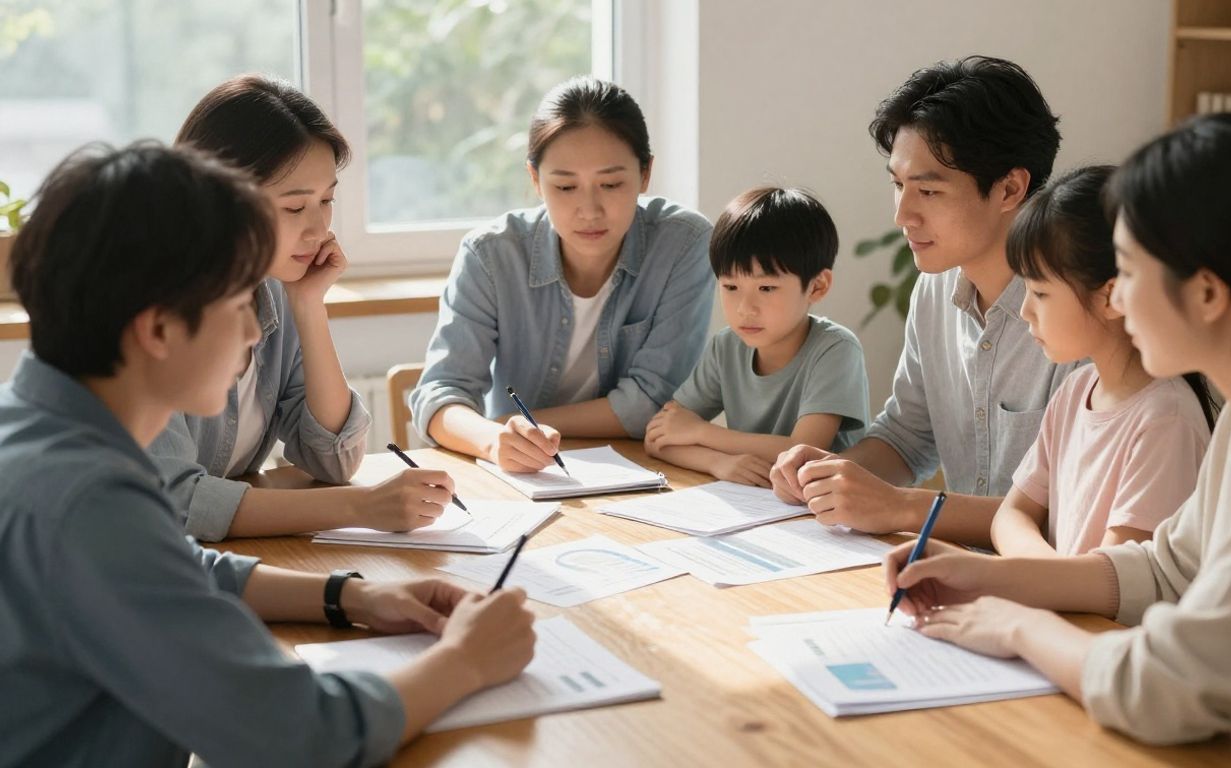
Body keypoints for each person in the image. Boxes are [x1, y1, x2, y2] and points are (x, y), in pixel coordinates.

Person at [0, 142, 536, 767]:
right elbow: (300, 735)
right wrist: (466, 660)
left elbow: (178, 570)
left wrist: (353, 597)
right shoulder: (90, 501)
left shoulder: (37, 425)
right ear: (159, 328)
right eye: (238, 307)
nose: (256, 332)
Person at [884, 114, 1231, 760]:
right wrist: (988, 578)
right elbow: (1167, 568)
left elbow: (1164, 688)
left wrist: (1019, 627)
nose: (1119, 300)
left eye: (1130, 274)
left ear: (1207, 293)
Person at [770, 56, 1077, 546]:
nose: (902, 215)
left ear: (1010, 188)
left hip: (1050, 580)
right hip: (955, 569)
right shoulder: (935, 288)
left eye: (929, 191)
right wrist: (830, 475)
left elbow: (1075, 512)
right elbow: (907, 437)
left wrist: (902, 507)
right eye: (898, 185)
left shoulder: (1079, 312)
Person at [149, 75, 452, 541]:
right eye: (294, 208)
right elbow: (178, 502)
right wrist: (359, 507)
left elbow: (332, 459)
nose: (319, 230)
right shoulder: (149, 312)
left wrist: (309, 307)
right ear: (217, 201)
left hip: (221, 559)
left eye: (326, 200)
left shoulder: (276, 289)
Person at [411, 76, 714, 472]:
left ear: (645, 174)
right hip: (521, 473)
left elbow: (652, 403)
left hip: (641, 469)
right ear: (535, 180)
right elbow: (440, 394)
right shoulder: (490, 255)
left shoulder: (684, 243)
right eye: (566, 187)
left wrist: (512, 422)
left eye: (611, 184)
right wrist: (493, 440)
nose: (589, 210)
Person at [991, 165, 1214, 556]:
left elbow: (1117, 575)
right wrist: (1045, 573)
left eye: (1040, 293)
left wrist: (1040, 576)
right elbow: (1011, 515)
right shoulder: (1076, 389)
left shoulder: (1165, 418)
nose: (1025, 310)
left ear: (1110, 296)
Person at [644, 186, 868, 487]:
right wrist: (718, 463)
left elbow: (804, 452)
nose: (745, 308)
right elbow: (658, 438)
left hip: (825, 506)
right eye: (730, 287)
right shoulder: (726, 347)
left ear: (817, 286)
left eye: (766, 288)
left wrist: (701, 432)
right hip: (758, 502)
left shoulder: (836, 349)